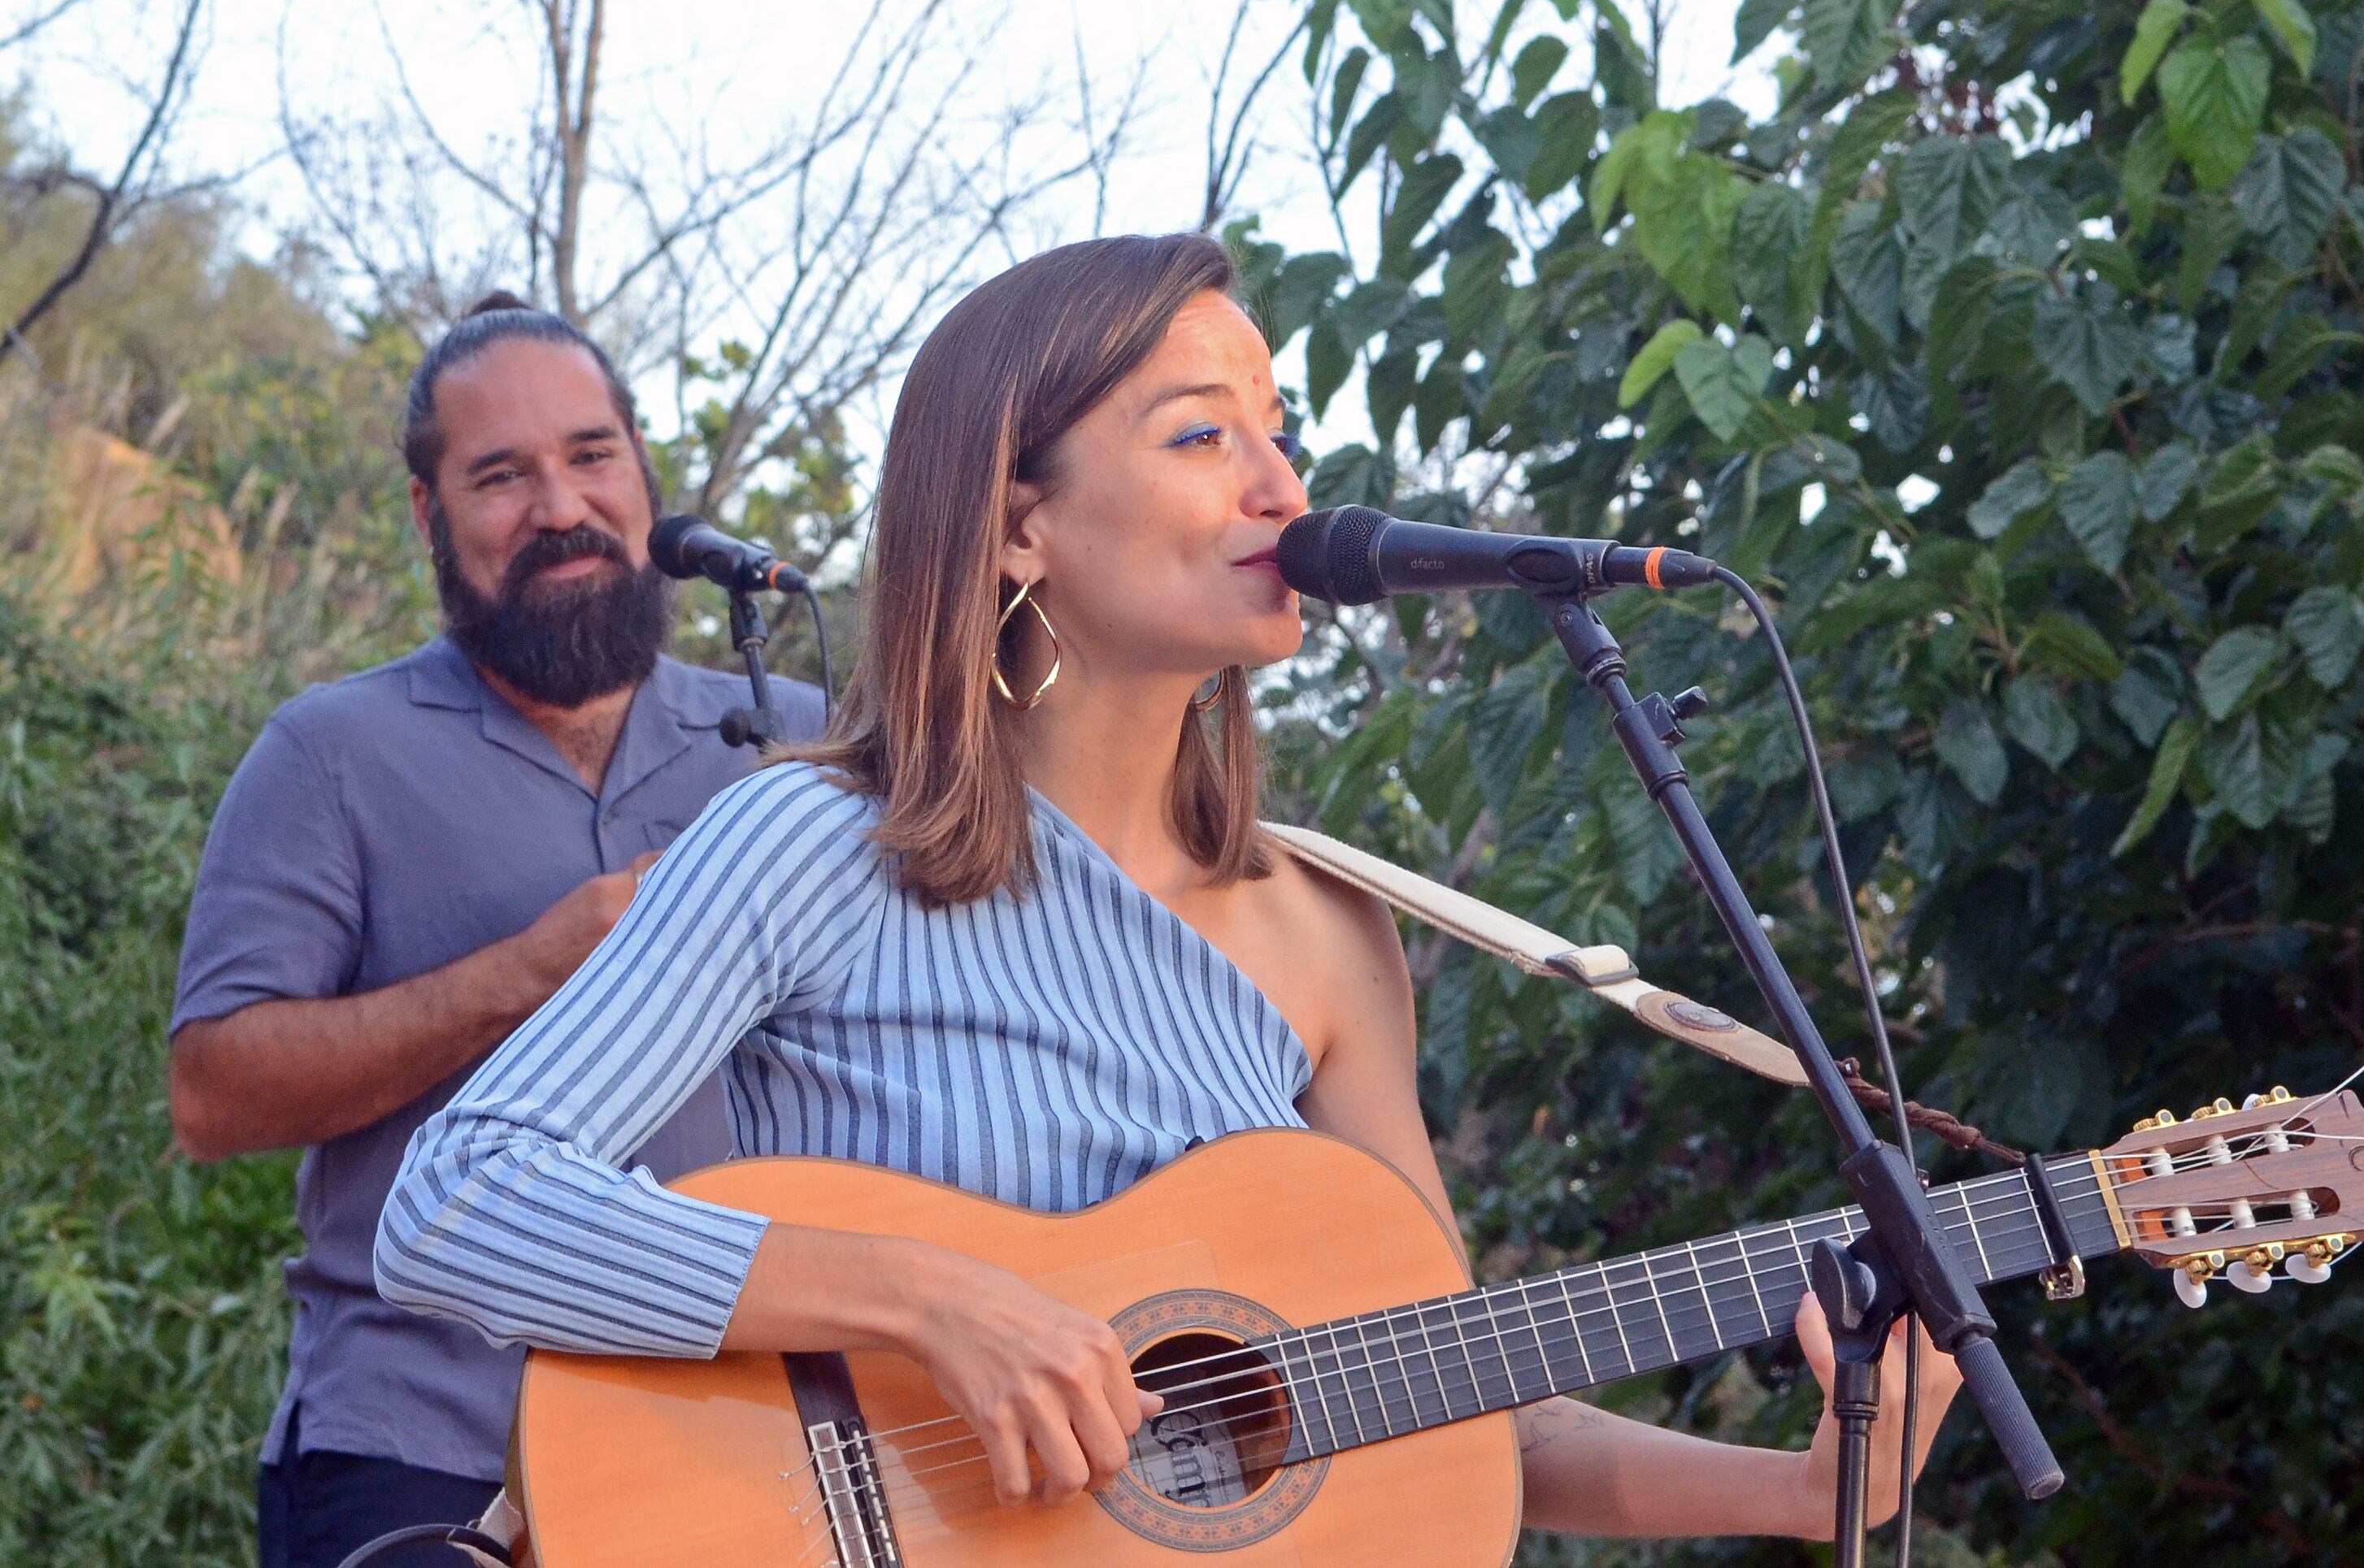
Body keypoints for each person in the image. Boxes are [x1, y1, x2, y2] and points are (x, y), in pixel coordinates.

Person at [376, 236, 1958, 1547]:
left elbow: (1452, 1395)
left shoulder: (1334, 941)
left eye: (1281, 435)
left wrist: (1797, 1488)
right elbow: (459, 1201)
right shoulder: (811, 843)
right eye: (1203, 433)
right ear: (1016, 521)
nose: (1279, 484)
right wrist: (926, 1299)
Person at [168, 293, 827, 1568]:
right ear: (430, 516)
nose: (561, 508)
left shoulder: (802, 736)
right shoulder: (329, 755)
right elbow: (213, 1096)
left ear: (644, 476)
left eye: (592, 456)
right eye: (501, 476)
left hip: (755, 1446)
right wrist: (530, 971)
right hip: (426, 1449)